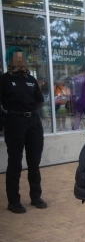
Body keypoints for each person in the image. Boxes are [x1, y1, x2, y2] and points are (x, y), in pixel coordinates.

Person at [0, 51, 47, 213]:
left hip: (33, 122)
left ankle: (36, 196)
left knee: (34, 162)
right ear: (10, 61)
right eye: (16, 58)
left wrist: (31, 110)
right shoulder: (4, 79)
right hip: (14, 122)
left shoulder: (30, 80)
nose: (20, 62)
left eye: (22, 59)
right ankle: (13, 201)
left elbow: (40, 100)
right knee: (15, 162)